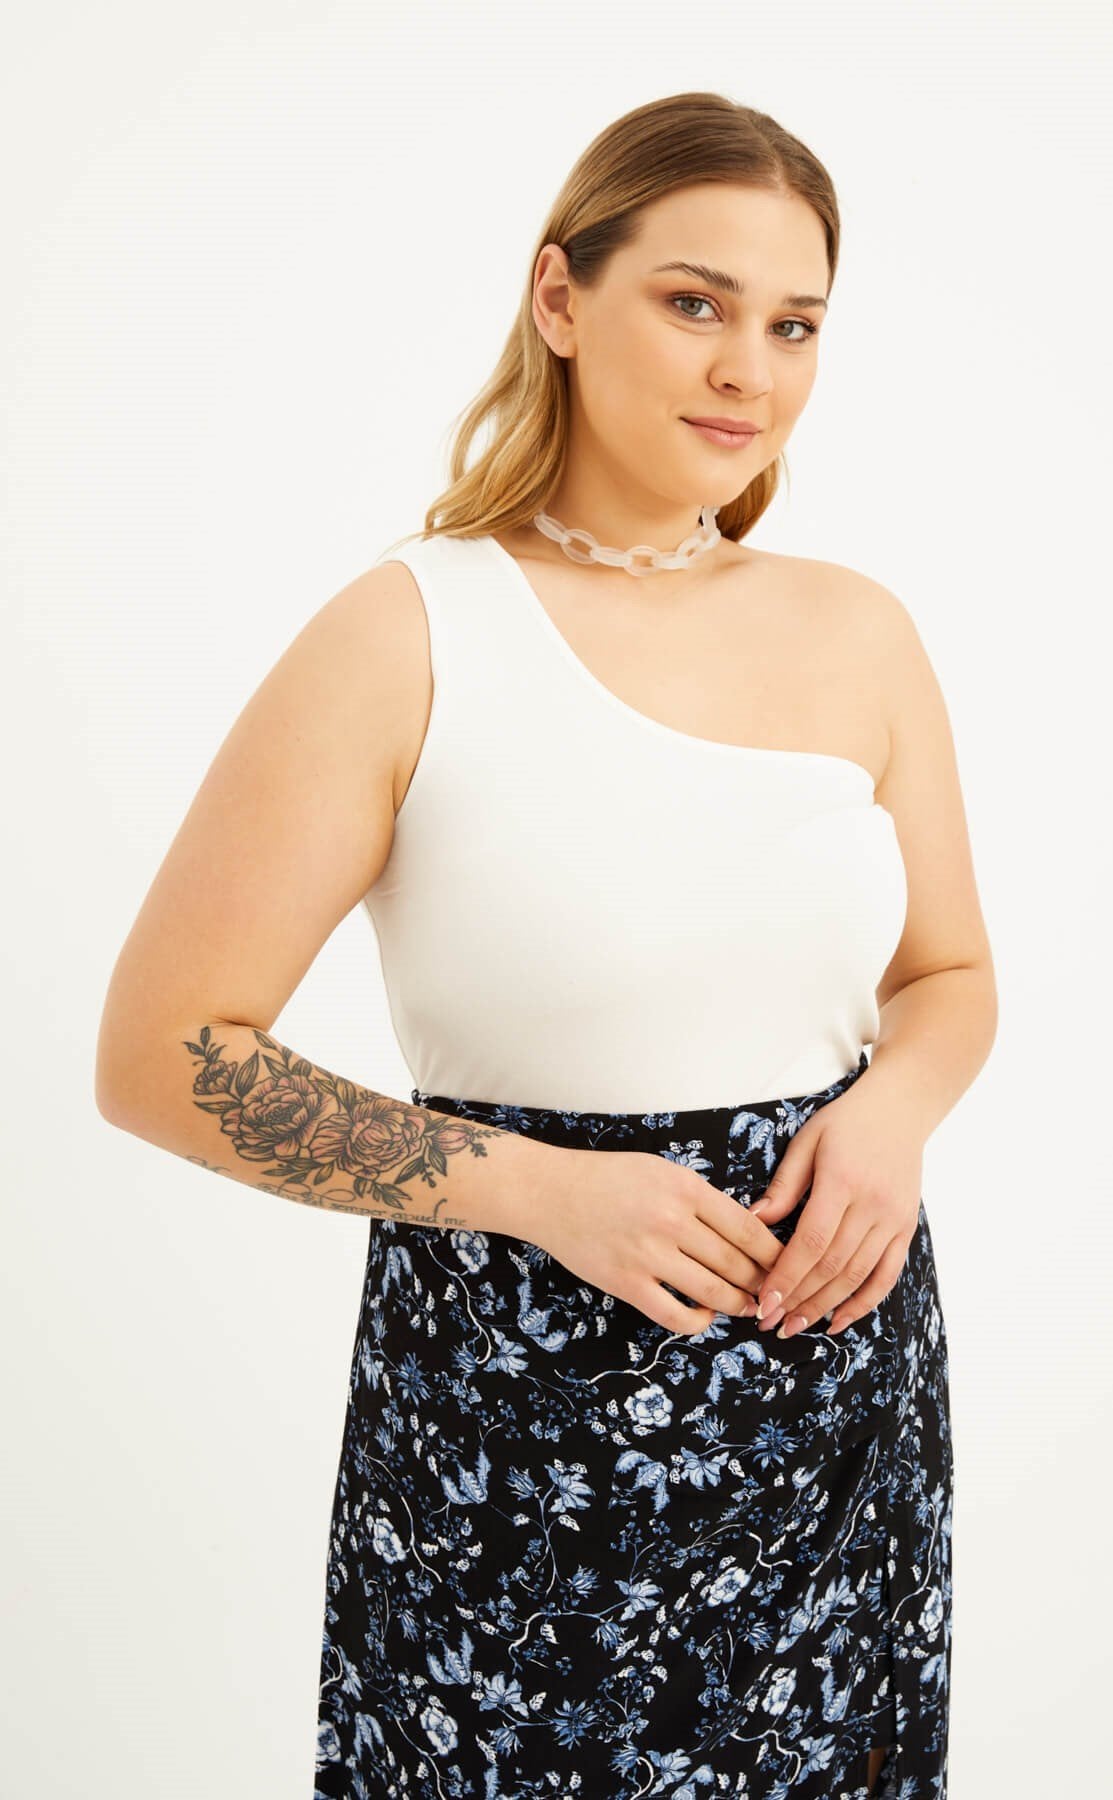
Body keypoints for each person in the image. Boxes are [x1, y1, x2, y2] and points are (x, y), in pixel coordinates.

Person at [94, 91, 997, 1799]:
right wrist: (541, 1192)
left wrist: (892, 1117)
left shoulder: (860, 633)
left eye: (794, 325)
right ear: (560, 298)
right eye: (695, 301)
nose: (747, 368)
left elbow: (950, 975)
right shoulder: (407, 634)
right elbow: (162, 1054)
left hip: (840, 1428)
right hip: (513, 1447)